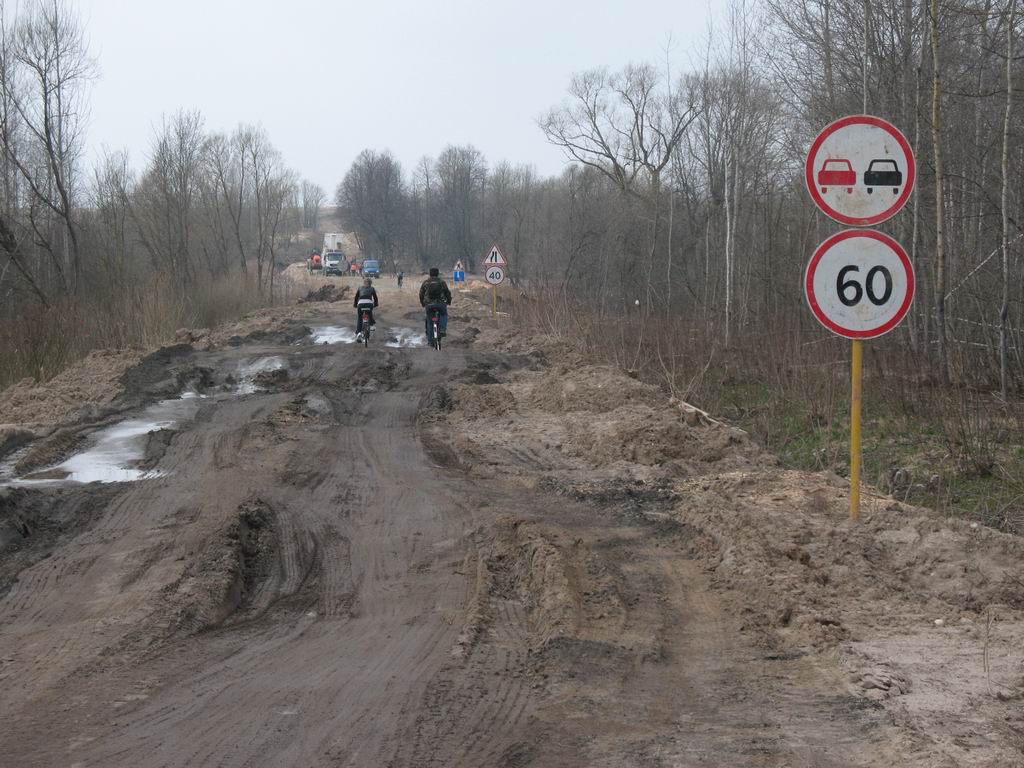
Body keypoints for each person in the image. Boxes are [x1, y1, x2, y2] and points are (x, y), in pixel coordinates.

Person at [419, 267, 452, 341]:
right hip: (441, 304)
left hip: (429, 305)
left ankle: (430, 341)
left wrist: (423, 303)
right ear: (438, 274)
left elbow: (421, 294)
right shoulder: (442, 282)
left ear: (430, 274)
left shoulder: (426, 282)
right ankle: (442, 329)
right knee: (444, 315)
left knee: (430, 322)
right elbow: (447, 293)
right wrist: (449, 301)